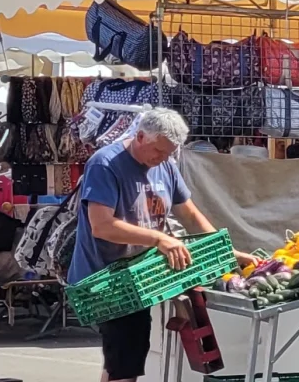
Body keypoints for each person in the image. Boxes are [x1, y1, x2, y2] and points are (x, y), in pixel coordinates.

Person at [69, 108, 259, 382]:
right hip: (107, 279)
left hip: (141, 276)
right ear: (141, 136)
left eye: (169, 153)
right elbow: (102, 226)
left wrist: (227, 251)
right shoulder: (105, 164)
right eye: (158, 151)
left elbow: (191, 215)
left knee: (122, 360)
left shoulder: (166, 166)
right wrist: (159, 238)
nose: (162, 159)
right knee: (125, 359)